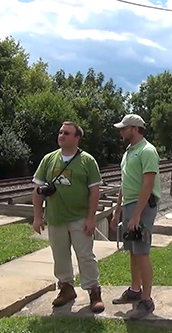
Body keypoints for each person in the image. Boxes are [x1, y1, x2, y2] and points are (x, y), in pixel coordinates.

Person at [31, 121, 105, 313]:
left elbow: (95, 191)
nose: (61, 135)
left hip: (80, 217)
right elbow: (37, 189)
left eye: (67, 133)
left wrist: (91, 218)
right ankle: (66, 288)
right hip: (56, 218)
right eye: (60, 132)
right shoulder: (49, 159)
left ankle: (93, 291)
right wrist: (37, 216)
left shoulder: (87, 161)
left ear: (77, 138)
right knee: (60, 256)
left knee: (85, 256)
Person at [110, 114, 161, 319]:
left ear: (135, 128)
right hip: (131, 206)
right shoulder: (129, 152)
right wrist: (117, 211)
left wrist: (137, 215)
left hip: (143, 207)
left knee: (142, 251)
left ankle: (147, 300)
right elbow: (125, 184)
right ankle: (135, 290)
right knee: (132, 249)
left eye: (124, 128)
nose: (121, 132)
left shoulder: (147, 151)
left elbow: (148, 184)